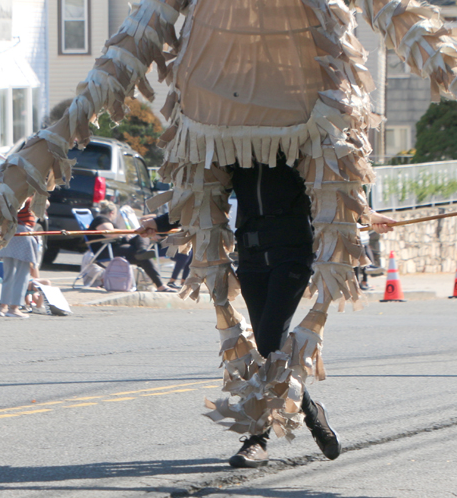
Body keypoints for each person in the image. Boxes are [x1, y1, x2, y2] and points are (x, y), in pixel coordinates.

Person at [137, 153, 396, 468]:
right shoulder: (235, 148)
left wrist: (368, 214)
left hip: (292, 256)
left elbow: (335, 183)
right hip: (251, 258)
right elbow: (203, 192)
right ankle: (312, 411)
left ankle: (257, 440)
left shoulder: (298, 142)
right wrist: (161, 223)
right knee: (266, 350)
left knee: (271, 343)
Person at [87, 215, 175, 293]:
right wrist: (127, 232)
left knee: (142, 238)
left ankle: (142, 251)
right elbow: (110, 233)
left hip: (119, 248)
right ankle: (160, 285)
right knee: (140, 253)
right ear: (112, 213)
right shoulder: (100, 219)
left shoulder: (104, 221)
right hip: (107, 250)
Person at [0, 199, 41, 318]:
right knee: (22, 275)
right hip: (23, 234)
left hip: (8, 233)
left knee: (8, 275)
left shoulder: (7, 194)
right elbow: (44, 204)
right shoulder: (28, 196)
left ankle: (3, 306)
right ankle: (14, 308)